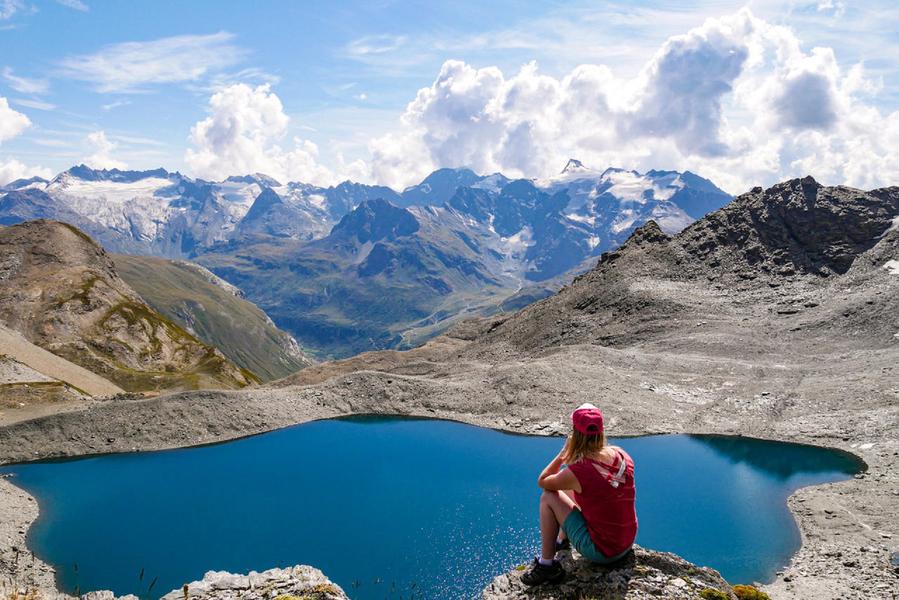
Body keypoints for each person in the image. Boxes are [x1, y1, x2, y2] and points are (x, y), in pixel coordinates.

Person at [521, 402, 637, 586]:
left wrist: (562, 455)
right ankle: (562, 540)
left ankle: (546, 566)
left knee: (548, 497)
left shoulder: (579, 471)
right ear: (601, 432)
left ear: (575, 434)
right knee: (568, 488)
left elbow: (543, 481)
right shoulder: (621, 454)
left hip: (603, 552)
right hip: (626, 542)